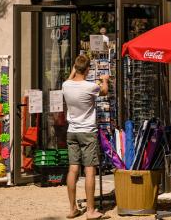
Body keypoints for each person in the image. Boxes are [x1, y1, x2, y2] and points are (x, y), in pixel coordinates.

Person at [63, 54, 109, 219]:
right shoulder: (90, 87)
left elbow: (70, 79)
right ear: (88, 69)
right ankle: (90, 211)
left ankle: (72, 208)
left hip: (72, 131)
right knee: (90, 170)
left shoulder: (66, 85)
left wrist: (74, 69)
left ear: (75, 68)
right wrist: (105, 79)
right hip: (87, 132)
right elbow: (104, 91)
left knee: (73, 168)